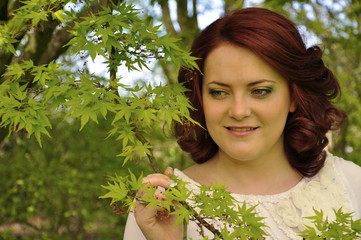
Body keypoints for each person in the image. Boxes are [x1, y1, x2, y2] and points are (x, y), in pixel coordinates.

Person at [123, 7, 361, 240]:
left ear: (293, 96)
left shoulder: (351, 183)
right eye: (218, 92)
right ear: (200, 100)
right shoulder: (161, 205)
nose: (238, 111)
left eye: (260, 91)